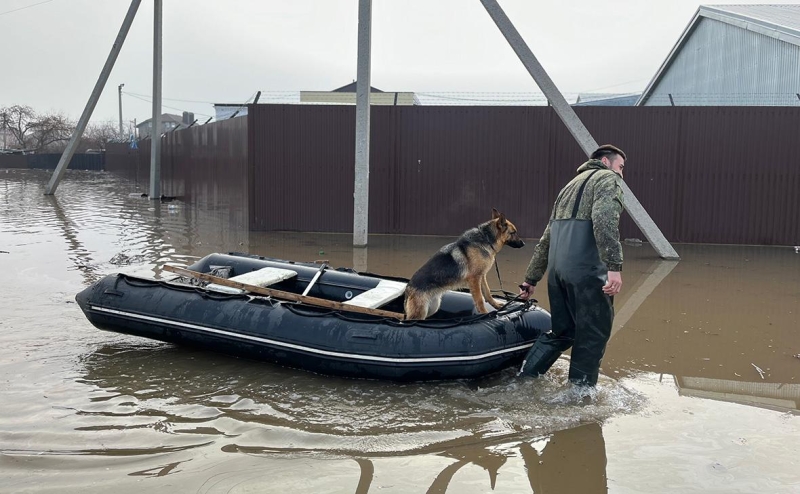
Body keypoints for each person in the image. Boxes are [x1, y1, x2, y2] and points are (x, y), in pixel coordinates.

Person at [517, 144, 626, 387]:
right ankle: (579, 397)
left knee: (562, 332)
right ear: (606, 162)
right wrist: (614, 266)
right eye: (620, 167)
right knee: (593, 334)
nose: (622, 174)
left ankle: (524, 380)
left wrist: (531, 279)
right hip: (587, 272)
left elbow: (547, 239)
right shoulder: (607, 179)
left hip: (558, 274)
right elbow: (605, 220)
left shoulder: (568, 186)